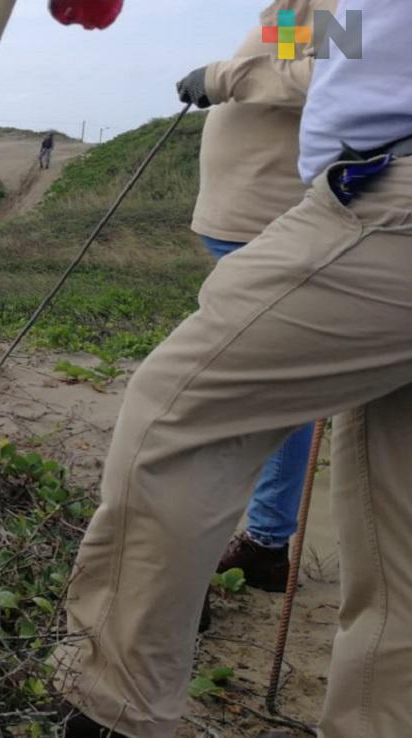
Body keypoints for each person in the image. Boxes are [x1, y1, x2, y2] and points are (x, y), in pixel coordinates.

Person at [52, 2, 412, 738]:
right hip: (348, 210)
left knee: (175, 417)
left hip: (378, 213)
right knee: (394, 518)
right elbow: (332, 43)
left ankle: (115, 714)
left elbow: (309, 58)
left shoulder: (310, 8)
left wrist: (221, 75)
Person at [181, 0, 336, 610]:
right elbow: (289, 61)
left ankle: (227, 556)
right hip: (248, 222)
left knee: (233, 391)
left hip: (270, 224)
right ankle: (266, 545)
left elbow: (324, 78)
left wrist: (220, 77)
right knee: (272, 390)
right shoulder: (299, 3)